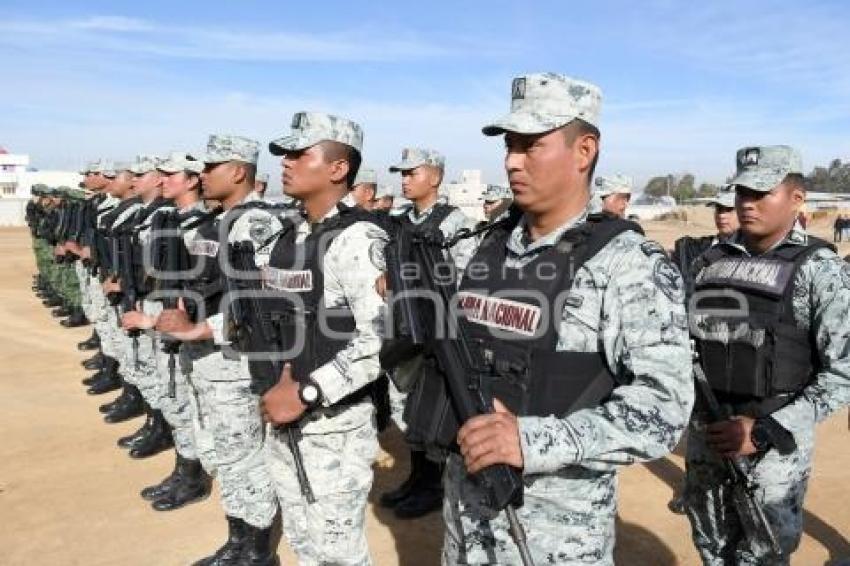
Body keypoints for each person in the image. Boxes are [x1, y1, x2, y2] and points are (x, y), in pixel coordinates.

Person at [439, 72, 694, 564]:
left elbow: (664, 409)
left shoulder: (627, 264)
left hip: (554, 540)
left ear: (584, 151)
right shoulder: (479, 248)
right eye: (510, 145)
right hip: (463, 525)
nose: (512, 160)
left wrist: (531, 439)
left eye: (532, 145)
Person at [685, 145, 850, 564]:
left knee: (761, 557)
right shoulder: (709, 262)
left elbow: (844, 371)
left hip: (773, 452)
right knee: (711, 549)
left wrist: (764, 430)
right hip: (709, 441)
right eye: (742, 192)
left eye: (761, 192)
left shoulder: (819, 269)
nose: (747, 203)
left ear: (797, 198)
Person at [258, 111, 387, 564]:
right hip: (283, 414)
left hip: (333, 424)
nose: (286, 162)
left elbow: (381, 338)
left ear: (337, 168)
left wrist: (311, 391)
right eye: (284, 154)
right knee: (302, 541)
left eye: (299, 153)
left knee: (336, 552)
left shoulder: (356, 240)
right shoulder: (289, 235)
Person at [156, 134, 281, 566]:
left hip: (236, 364)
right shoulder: (212, 223)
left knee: (244, 459)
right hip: (205, 362)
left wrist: (197, 329)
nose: (201, 175)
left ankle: (257, 551)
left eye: (211, 167)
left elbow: (261, 306)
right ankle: (238, 540)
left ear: (239, 171)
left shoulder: (258, 225)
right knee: (223, 455)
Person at [380, 146, 478, 520]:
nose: (404, 180)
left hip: (438, 328)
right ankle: (417, 478)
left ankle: (432, 484)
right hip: (406, 326)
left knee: (433, 406)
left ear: (434, 177)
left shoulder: (456, 221)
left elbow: (467, 278)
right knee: (408, 407)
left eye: (412, 173)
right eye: (402, 174)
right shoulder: (401, 219)